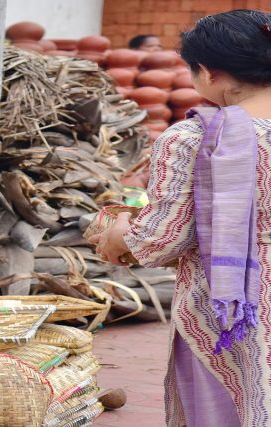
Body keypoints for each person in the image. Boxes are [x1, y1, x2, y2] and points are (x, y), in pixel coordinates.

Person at [90, 10, 271, 427]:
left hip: (233, 309)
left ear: (207, 72)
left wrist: (120, 234)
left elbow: (160, 240)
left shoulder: (195, 139)